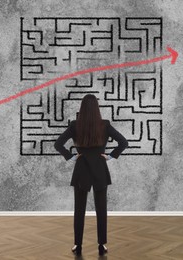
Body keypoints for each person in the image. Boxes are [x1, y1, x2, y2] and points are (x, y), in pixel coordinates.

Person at [54, 94, 128, 256]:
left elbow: (58, 144)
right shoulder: (105, 125)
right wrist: (110, 156)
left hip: (81, 169)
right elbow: (124, 142)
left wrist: (71, 156)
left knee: (79, 209)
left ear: (82, 109)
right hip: (100, 169)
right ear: (97, 109)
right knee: (102, 210)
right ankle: (102, 245)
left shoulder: (75, 125)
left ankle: (77, 245)